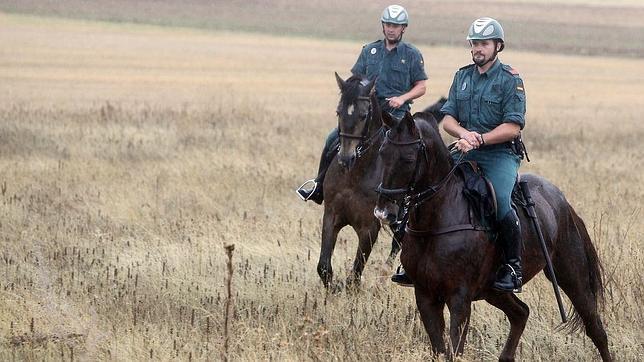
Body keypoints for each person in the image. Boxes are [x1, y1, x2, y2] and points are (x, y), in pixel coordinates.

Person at [296, 4, 427, 205]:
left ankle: (411, 199)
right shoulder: (369, 51)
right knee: (333, 138)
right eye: (388, 24)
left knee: (405, 151)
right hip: (367, 112)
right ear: (383, 26)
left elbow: (421, 87)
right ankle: (318, 185)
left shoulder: (412, 54)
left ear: (403, 28)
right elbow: (355, 79)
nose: (391, 29)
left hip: (396, 116)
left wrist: (402, 98)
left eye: (396, 25)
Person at [440, 17, 526, 292]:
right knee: (428, 187)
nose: (478, 48)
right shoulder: (461, 76)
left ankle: (513, 265)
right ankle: (413, 258)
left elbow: (512, 127)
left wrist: (479, 140)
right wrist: (463, 134)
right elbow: (448, 120)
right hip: (465, 149)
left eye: (484, 44)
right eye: (475, 43)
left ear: (498, 46)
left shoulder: (510, 80)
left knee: (500, 200)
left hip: (499, 154)